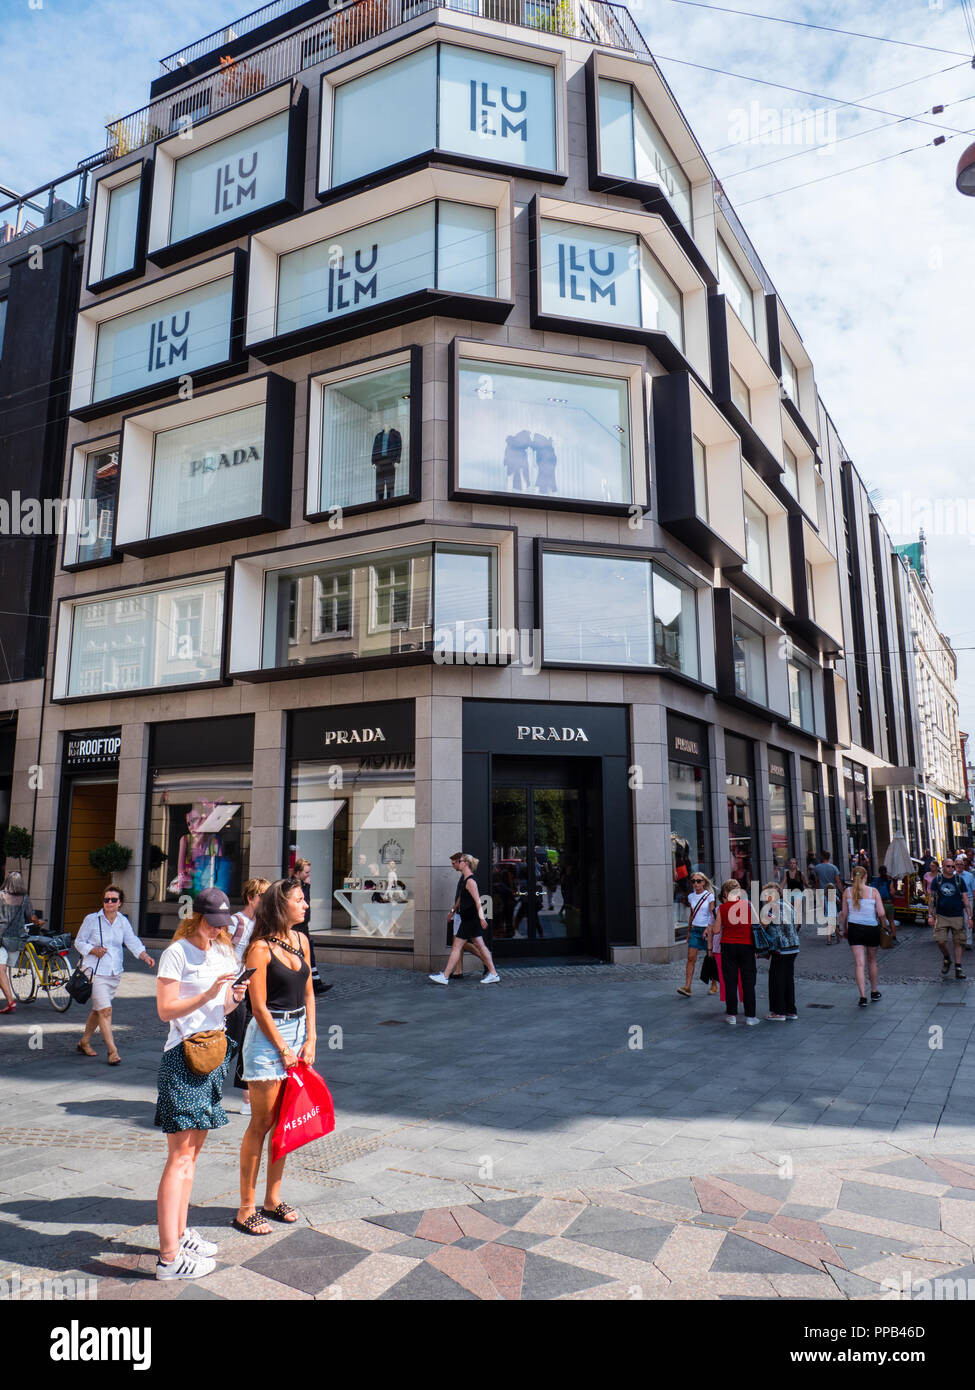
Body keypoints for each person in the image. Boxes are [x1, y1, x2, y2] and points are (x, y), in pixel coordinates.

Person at [154, 887, 248, 1280]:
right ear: (196, 917)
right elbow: (164, 1010)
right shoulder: (176, 953)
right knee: (178, 1158)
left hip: (213, 1054)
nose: (217, 930)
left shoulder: (224, 951)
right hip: (183, 1055)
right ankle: (168, 1258)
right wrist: (210, 992)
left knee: (192, 1158)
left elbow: (221, 1008)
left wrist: (232, 997)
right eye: (212, 923)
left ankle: (180, 1230)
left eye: (222, 924)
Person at [235, 877, 316, 1236]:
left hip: (298, 1034)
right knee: (262, 1123)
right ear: (281, 906)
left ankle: (273, 1199)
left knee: (286, 1122)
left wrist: (311, 1038)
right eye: (299, 900)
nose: (306, 906)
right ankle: (246, 1208)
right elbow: (258, 1006)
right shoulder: (259, 948)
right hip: (269, 1040)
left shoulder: (301, 941)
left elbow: (310, 993)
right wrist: (283, 1048)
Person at [75, 886, 154, 1064]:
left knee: (98, 1010)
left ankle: (84, 1042)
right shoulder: (92, 919)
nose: (109, 903)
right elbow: (79, 942)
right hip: (94, 972)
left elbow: (132, 940)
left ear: (120, 903)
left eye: (113, 900)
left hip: (113, 971)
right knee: (105, 1010)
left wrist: (144, 955)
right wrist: (92, 950)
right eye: (106, 899)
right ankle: (112, 1051)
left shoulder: (122, 921)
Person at [226, 877, 270, 1117]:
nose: (265, 902)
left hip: (252, 990)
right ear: (251, 898)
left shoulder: (263, 925)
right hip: (232, 990)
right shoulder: (236, 922)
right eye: (262, 897)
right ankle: (209, 1085)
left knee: (248, 1043)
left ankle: (246, 1097)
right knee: (230, 1043)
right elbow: (220, 950)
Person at [429, 853, 501, 986]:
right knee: (479, 945)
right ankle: (493, 973)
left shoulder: (470, 881)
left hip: (470, 920)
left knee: (458, 946)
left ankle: (445, 976)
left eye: (458, 861)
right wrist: (453, 911)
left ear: (465, 863)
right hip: (468, 919)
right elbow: (462, 899)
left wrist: (481, 918)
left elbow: (478, 901)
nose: (454, 865)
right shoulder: (465, 879)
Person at [839, 865, 891, 1006]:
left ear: (853, 876)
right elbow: (881, 913)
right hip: (871, 928)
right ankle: (874, 991)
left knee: (859, 964)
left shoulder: (847, 892)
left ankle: (862, 997)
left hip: (854, 928)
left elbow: (844, 914)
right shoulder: (873, 891)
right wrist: (885, 925)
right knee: (872, 961)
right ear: (865, 877)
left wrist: (844, 929)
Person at [715, 879, 758, 1025]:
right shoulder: (748, 905)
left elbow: (715, 930)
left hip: (728, 945)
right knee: (748, 981)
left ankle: (731, 1015)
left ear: (726, 893)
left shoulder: (722, 908)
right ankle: (750, 1016)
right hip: (746, 946)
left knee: (730, 981)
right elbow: (757, 924)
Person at [761, 882, 800, 1020]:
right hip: (793, 946)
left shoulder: (772, 907)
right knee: (788, 978)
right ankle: (791, 1010)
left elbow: (764, 924)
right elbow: (797, 923)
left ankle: (778, 1011)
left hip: (780, 948)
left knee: (777, 979)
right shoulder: (788, 904)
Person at [927, 858, 971, 981]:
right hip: (942, 916)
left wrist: (970, 917)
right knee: (940, 941)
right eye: (948, 866)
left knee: (958, 942)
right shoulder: (938, 880)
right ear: (943, 867)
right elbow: (932, 899)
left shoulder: (959, 880)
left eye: (952, 866)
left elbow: (966, 899)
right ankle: (947, 958)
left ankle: (958, 968)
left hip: (957, 915)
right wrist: (930, 915)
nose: (951, 869)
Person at [292, 858, 330, 996]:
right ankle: (310, 984)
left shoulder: (302, 884)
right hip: (296, 926)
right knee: (300, 955)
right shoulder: (294, 886)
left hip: (303, 925)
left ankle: (315, 982)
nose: (309, 875)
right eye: (306, 872)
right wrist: (307, 887)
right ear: (297, 872)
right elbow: (303, 901)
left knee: (309, 955)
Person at [0, 871, 34, 1013]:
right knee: (3, 970)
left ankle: (10, 1001)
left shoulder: (1, 896)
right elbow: (30, 916)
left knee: (0, 971)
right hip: (17, 939)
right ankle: (9, 1000)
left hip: (1, 938)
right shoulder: (25, 898)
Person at [677, 873, 716, 998]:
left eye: (698, 881)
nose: (696, 884)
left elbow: (712, 914)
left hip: (706, 930)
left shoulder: (710, 896)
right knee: (691, 957)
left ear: (703, 882)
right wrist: (688, 931)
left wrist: (709, 929)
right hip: (695, 930)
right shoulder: (691, 897)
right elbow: (692, 914)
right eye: (693, 881)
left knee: (711, 957)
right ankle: (687, 987)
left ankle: (714, 984)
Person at [809, 851, 843, 941]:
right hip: (832, 892)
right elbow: (838, 881)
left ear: (822, 857)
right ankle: (836, 926)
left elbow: (816, 881)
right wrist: (842, 891)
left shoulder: (817, 868)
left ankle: (832, 931)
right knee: (837, 910)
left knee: (827, 913)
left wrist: (817, 892)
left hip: (823, 893)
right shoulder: (834, 868)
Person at [954, 856, 975, 949]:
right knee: (958, 922)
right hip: (956, 901)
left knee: (968, 921)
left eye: (961, 864)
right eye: (957, 864)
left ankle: (968, 942)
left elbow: (973, 889)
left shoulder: (969, 876)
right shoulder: (951, 876)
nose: (959, 866)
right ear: (955, 866)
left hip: (968, 899)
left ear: (964, 865)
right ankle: (960, 940)